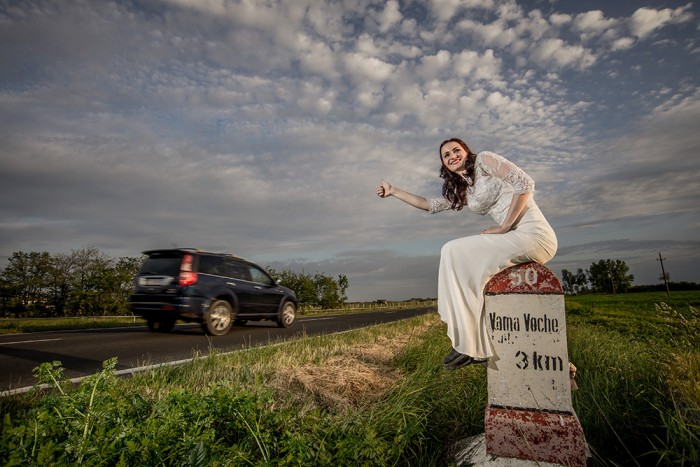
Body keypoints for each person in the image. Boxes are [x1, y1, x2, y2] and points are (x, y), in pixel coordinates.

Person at [376, 138, 557, 370]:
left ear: (466, 151)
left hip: (534, 234)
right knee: (466, 269)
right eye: (446, 155)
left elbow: (525, 183)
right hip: (514, 236)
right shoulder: (463, 188)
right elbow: (428, 204)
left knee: (453, 250)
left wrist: (504, 228)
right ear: (444, 164)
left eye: (456, 150)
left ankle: (467, 343)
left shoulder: (484, 160)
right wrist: (393, 191)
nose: (452, 156)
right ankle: (475, 346)